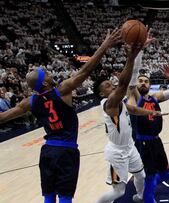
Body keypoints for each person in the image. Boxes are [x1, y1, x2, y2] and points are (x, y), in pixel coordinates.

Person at [0, 28, 122, 203]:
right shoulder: (62, 91)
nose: (50, 75)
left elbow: (3, 118)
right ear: (46, 81)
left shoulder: (29, 102)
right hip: (66, 150)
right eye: (47, 74)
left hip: (48, 151)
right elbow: (85, 70)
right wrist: (105, 45)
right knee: (65, 197)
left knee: (49, 197)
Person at [93, 43, 168, 203]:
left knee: (140, 175)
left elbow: (133, 110)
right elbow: (124, 83)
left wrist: (151, 112)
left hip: (129, 146)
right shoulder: (110, 103)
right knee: (118, 192)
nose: (111, 85)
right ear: (102, 93)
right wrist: (132, 56)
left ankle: (140, 197)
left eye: (110, 82)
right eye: (107, 85)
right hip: (117, 153)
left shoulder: (120, 103)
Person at [127, 57, 169, 203]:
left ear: (150, 84)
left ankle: (144, 191)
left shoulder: (154, 98)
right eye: (141, 81)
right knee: (150, 177)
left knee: (165, 175)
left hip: (157, 141)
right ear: (136, 84)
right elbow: (132, 80)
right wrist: (136, 54)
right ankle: (147, 197)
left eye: (146, 81)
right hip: (143, 143)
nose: (143, 83)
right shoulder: (134, 96)